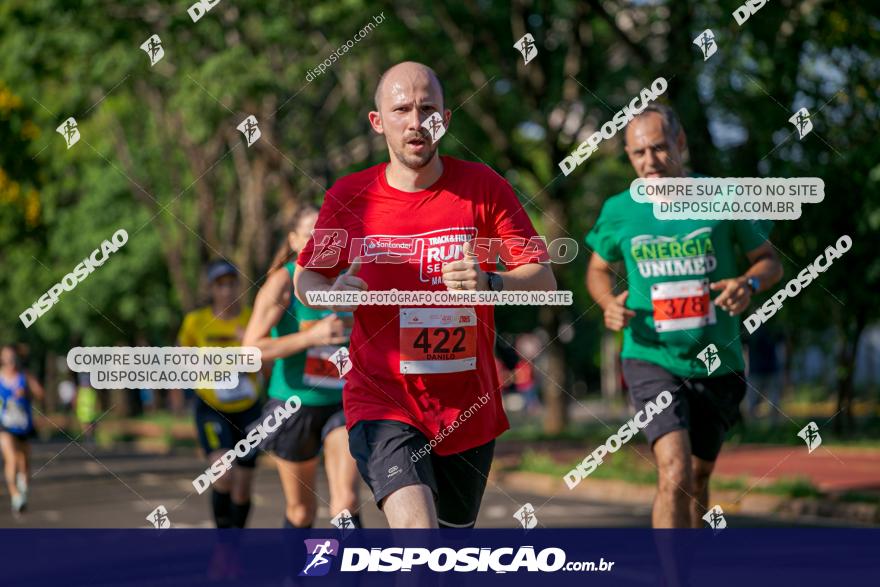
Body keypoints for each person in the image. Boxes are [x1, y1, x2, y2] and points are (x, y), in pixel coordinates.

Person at [294, 61, 556, 529]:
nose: (416, 122)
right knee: (418, 537)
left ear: (445, 118)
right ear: (378, 122)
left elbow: (544, 280)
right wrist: (330, 291)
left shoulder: (483, 188)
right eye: (401, 110)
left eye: (427, 108)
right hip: (383, 401)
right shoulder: (350, 196)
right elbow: (306, 280)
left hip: (468, 410)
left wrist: (492, 283)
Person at [585, 103, 783, 528]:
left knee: (697, 474)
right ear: (628, 154)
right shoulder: (620, 210)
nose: (649, 162)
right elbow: (598, 271)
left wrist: (747, 284)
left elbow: (769, 261)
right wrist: (608, 303)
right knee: (673, 469)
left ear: (680, 143)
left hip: (718, 361)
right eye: (638, 153)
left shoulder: (724, 198)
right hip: (649, 355)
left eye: (658, 148)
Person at [242, 205, 362, 529]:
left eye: (327, 237)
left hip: (343, 401)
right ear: (295, 240)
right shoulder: (281, 282)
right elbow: (251, 349)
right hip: (293, 404)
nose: (320, 244)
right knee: (301, 512)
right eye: (311, 236)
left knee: (346, 503)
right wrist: (312, 337)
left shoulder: (351, 278)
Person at [177, 259, 262, 529]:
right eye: (220, 285)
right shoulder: (196, 321)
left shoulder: (253, 318)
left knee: (243, 488)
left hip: (249, 408)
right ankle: (224, 545)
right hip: (212, 406)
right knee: (222, 473)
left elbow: (269, 363)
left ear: (238, 286)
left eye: (231, 284)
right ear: (211, 288)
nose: (226, 290)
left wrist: (249, 340)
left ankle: (233, 547)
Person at [0, 344, 45, 515]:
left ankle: (22, 487)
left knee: (24, 462)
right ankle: (14, 495)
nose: (10, 361)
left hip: (23, 425)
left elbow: (40, 394)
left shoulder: (24, 376)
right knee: (10, 459)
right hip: (4, 426)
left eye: (13, 357)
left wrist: (27, 393)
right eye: (7, 357)